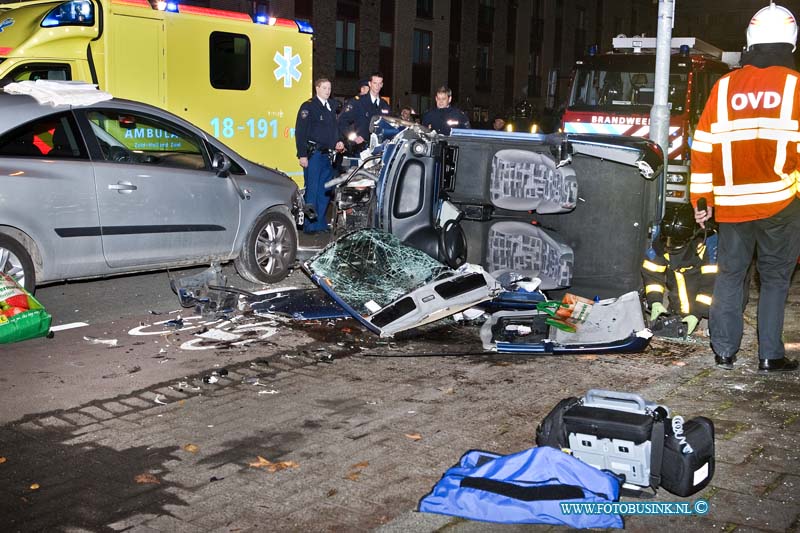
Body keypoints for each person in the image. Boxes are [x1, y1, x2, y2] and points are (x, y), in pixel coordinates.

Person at [690, 3, 800, 372]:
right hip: (780, 204)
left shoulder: (723, 88)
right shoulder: (795, 87)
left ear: (750, 41)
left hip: (731, 205)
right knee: (774, 280)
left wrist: (701, 200)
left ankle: (723, 351)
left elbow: (702, 147)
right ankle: (770, 354)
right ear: (792, 42)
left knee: (730, 275)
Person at [642, 204, 717, 337]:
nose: (670, 246)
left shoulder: (708, 243)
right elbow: (652, 275)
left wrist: (696, 314)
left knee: (714, 325)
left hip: (704, 302)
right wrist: (655, 302)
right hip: (677, 295)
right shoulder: (662, 238)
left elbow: (711, 285)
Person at [294, 77, 345, 234]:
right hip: (314, 154)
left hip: (327, 156)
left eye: (329, 88)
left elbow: (334, 130)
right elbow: (300, 132)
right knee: (313, 190)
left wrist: (339, 142)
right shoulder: (309, 106)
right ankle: (310, 225)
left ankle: (320, 223)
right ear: (317, 89)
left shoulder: (330, 107)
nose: (327, 91)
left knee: (325, 191)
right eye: (324, 88)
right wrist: (302, 155)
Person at [338, 71, 390, 152]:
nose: (377, 86)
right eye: (375, 83)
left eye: (379, 83)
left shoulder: (384, 105)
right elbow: (342, 120)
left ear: (382, 85)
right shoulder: (358, 102)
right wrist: (354, 137)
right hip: (361, 148)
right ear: (370, 84)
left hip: (379, 149)